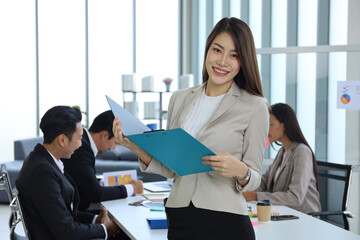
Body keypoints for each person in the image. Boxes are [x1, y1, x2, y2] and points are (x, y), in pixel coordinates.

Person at [113, 17, 269, 240]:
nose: (223, 61)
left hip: (225, 220)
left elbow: (255, 176)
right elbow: (171, 168)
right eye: (218, 50)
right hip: (180, 215)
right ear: (207, 51)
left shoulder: (254, 106)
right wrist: (135, 146)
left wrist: (240, 171)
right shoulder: (180, 98)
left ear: (243, 62)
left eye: (234, 55)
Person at [15, 106, 120, 240]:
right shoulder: (42, 172)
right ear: (62, 140)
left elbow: (64, 215)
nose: (80, 144)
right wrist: (104, 229)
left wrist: (96, 219)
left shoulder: (43, 161)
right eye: (80, 138)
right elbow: (67, 232)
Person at [243, 103, 321, 214]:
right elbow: (264, 182)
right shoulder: (283, 151)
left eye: (270, 124)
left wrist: (255, 196)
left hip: (303, 216)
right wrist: (244, 185)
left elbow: (295, 198)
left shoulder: (301, 151)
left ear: (285, 125)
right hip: (284, 212)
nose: (266, 129)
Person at [62, 110, 143, 211]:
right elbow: (95, 193)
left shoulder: (85, 145)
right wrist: (131, 188)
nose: (114, 148)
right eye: (115, 142)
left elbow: (85, 182)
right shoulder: (81, 150)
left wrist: (105, 183)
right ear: (104, 135)